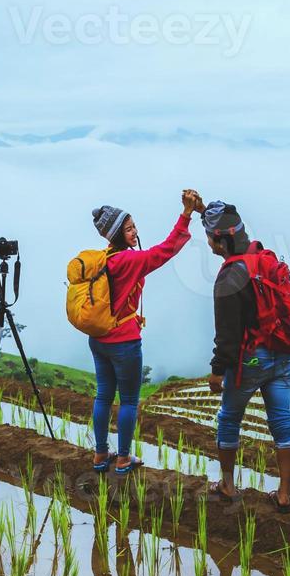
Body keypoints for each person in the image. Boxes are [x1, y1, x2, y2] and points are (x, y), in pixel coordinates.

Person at [87, 189, 204, 475]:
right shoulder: (129, 260)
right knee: (128, 400)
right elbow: (165, 251)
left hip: (98, 338)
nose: (135, 231)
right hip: (124, 342)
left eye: (134, 226)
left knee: (103, 395)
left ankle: (101, 454)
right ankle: (124, 457)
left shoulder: (104, 259)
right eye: (128, 228)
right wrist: (186, 215)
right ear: (115, 234)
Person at [201, 201, 290, 512]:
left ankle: (228, 487)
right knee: (282, 422)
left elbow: (227, 335)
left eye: (208, 237)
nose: (207, 242)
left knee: (229, 419)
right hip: (282, 355)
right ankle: (283, 495)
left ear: (220, 240)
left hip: (252, 359)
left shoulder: (230, 277)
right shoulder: (262, 257)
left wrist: (217, 371)